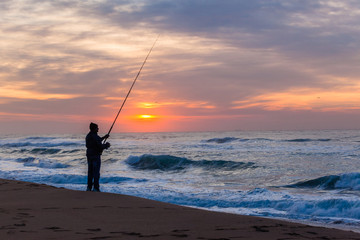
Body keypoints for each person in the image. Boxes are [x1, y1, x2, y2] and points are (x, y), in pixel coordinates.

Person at [85, 122, 110, 192]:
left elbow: (97, 141)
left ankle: (89, 188)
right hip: (95, 156)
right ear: (94, 129)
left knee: (90, 172)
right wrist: (107, 145)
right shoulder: (94, 136)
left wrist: (104, 137)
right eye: (97, 128)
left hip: (89, 155)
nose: (98, 129)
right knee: (96, 172)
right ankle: (96, 188)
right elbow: (100, 146)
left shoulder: (88, 136)